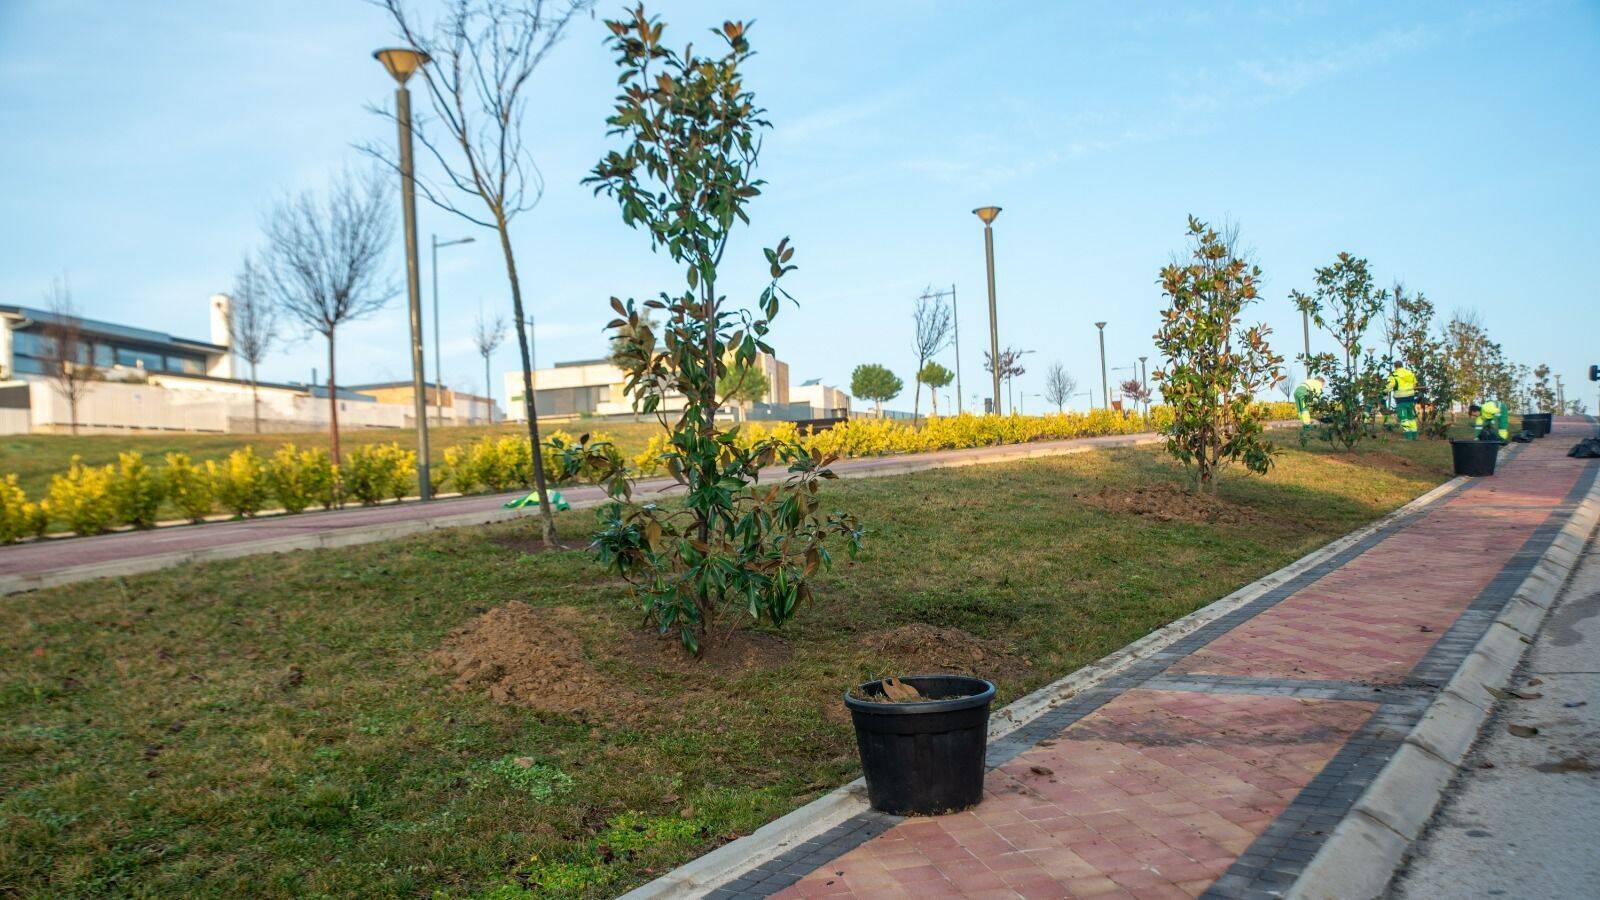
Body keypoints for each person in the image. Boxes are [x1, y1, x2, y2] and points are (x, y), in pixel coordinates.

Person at [1387, 363, 1419, 440]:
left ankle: (1408, 437)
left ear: (1395, 367)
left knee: (1404, 418)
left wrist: (1384, 391)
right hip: (1411, 398)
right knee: (1411, 417)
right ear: (1402, 365)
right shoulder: (1410, 373)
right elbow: (1414, 384)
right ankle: (1414, 436)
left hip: (1401, 399)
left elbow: (1390, 385)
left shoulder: (1394, 374)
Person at [1294, 376, 1325, 441]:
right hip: (1303, 392)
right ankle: (1307, 426)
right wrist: (1318, 407)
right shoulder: (1318, 383)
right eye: (1323, 385)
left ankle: (1303, 423)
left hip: (1296, 391)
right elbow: (1318, 395)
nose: (1322, 387)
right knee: (1305, 409)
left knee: (1300, 410)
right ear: (1321, 382)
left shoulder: (1310, 381)